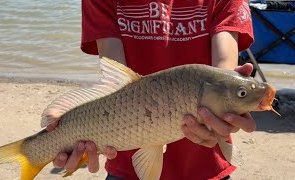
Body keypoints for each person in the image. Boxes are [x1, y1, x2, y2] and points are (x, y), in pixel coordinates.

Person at [48, 0, 256, 179]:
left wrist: (226, 112)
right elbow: (116, 84)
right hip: (127, 153)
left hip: (206, 158)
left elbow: (223, 73)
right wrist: (71, 119)